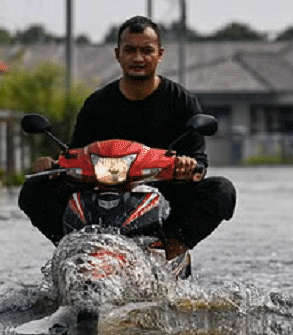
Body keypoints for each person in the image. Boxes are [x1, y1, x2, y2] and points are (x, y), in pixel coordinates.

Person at [18, 15, 236, 261]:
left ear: (159, 54)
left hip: (163, 190)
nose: (138, 58)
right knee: (32, 190)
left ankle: (172, 247)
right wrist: (53, 165)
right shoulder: (98, 104)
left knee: (222, 190)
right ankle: (71, 247)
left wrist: (188, 166)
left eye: (146, 50)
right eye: (130, 50)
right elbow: (76, 155)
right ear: (117, 54)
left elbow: (199, 164)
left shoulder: (181, 101)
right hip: (102, 192)